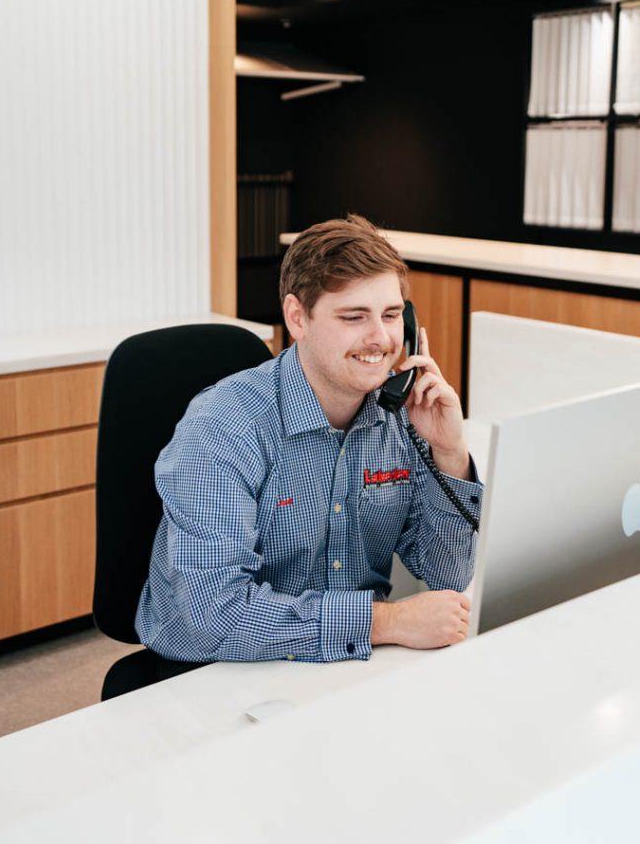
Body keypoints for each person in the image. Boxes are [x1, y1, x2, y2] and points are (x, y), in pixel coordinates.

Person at [136, 215, 482, 663]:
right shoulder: (224, 426)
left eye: (392, 315)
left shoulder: (400, 415)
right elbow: (212, 616)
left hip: (342, 666)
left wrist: (449, 453)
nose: (381, 339)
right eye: (354, 317)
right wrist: (386, 622)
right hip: (213, 672)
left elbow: (446, 574)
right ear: (297, 318)